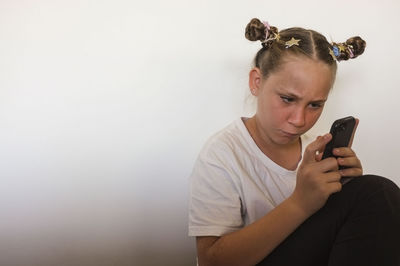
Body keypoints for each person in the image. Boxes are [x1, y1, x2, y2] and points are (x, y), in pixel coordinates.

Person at [188, 18, 400, 266]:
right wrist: (301, 203)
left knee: (370, 196)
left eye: (314, 105)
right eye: (288, 99)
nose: (299, 120)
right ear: (257, 82)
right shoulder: (222, 155)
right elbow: (211, 261)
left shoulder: (317, 153)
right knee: (376, 192)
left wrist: (343, 198)